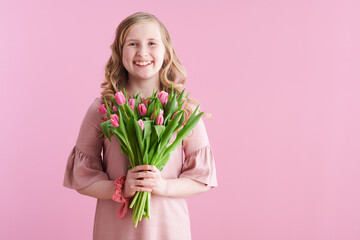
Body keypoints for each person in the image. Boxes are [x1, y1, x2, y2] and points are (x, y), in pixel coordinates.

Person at [63, 11, 217, 240]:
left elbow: (202, 178)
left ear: (166, 51)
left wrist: (162, 186)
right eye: (133, 43)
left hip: (168, 229)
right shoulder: (103, 109)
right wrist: (122, 187)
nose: (142, 52)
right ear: (119, 52)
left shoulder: (182, 110)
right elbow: (82, 179)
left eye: (152, 43)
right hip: (115, 231)